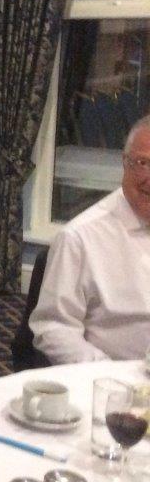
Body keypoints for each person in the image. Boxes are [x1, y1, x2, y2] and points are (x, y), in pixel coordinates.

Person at [29, 115, 150, 364]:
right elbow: (53, 329)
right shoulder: (79, 239)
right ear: (124, 164)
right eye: (143, 163)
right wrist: (106, 375)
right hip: (115, 385)